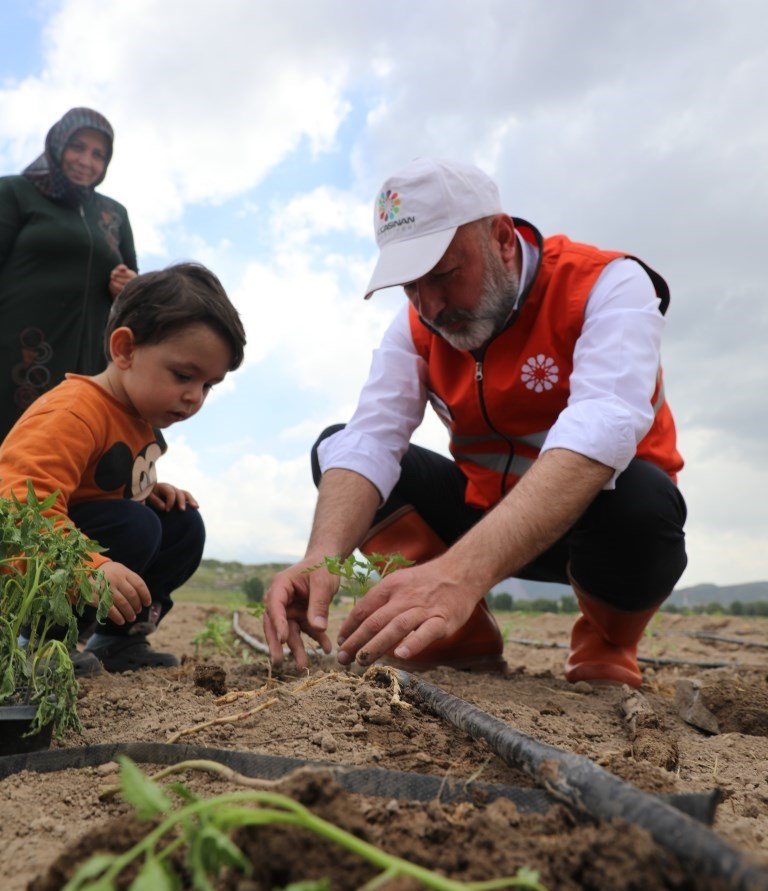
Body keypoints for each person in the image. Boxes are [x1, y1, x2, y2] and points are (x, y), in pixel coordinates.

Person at [265, 157, 687, 688]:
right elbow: (371, 436)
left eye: (444, 275)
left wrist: (457, 575)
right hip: (481, 514)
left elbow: (599, 430)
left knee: (643, 500)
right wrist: (320, 558)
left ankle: (607, 640)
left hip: (594, 526)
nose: (431, 306)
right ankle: (455, 638)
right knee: (338, 449)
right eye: (410, 287)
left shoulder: (608, 284)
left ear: (502, 238)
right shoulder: (417, 326)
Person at [0, 263, 246, 674]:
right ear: (126, 349)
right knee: (136, 526)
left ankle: (119, 640)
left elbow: (97, 491)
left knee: (181, 524)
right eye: (183, 375)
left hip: (77, 548)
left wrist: (146, 491)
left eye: (207, 385)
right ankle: (34, 640)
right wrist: (90, 568)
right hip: (26, 569)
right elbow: (18, 511)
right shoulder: (72, 412)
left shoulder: (140, 417)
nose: (194, 397)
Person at [0, 107, 138, 441]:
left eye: (98, 154)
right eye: (78, 147)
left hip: (88, 361)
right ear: (58, 144)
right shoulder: (16, 191)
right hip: (18, 350)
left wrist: (128, 286)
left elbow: (137, 292)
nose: (86, 161)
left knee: (65, 444)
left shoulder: (115, 214)